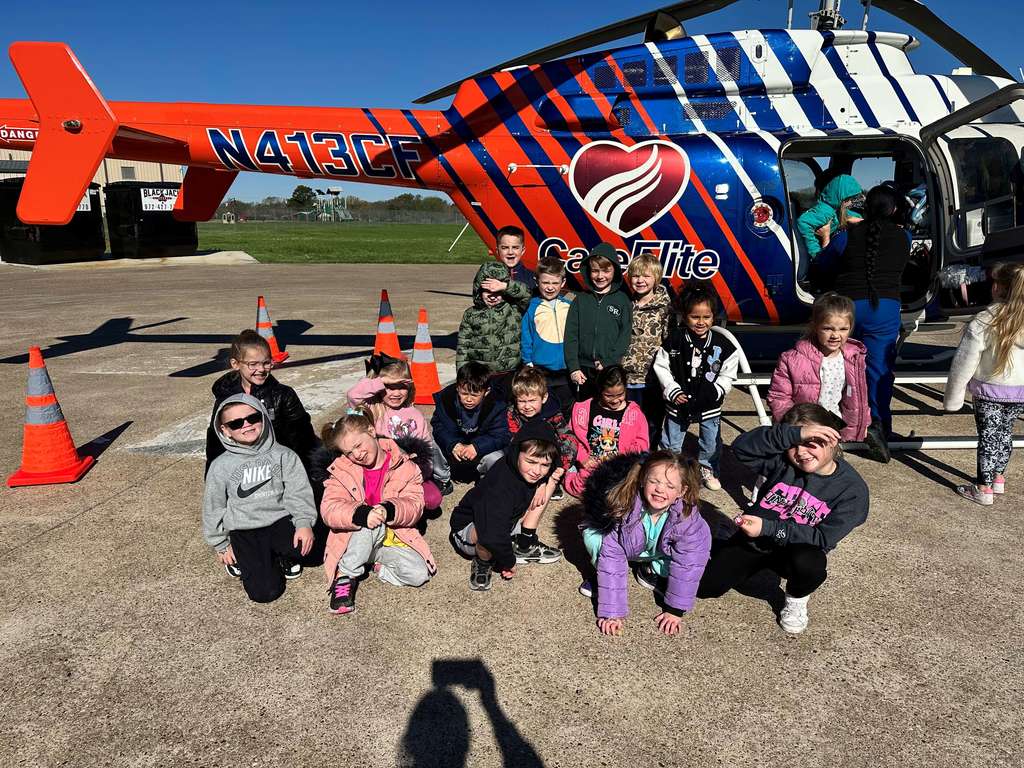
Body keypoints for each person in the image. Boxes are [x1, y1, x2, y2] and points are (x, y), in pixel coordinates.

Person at [697, 404, 869, 634]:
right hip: (754, 541)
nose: (801, 452)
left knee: (810, 565)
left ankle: (797, 598)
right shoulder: (782, 462)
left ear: (833, 440)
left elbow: (823, 537)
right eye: (793, 445)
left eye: (811, 443)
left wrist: (768, 528)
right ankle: (725, 542)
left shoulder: (852, 490)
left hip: (796, 549)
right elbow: (741, 448)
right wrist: (795, 434)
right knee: (706, 588)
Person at [579, 451, 711, 636]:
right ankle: (598, 577)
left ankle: (650, 570)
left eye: (670, 485)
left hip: (658, 552)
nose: (660, 489)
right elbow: (612, 555)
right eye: (654, 482)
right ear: (642, 480)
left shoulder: (688, 519)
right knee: (594, 536)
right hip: (627, 548)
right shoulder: (624, 505)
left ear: (682, 491)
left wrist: (675, 610)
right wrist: (612, 612)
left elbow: (689, 562)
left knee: (687, 557)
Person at [319, 408, 435, 615]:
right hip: (357, 534)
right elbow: (329, 508)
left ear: (372, 431)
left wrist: (390, 508)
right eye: (349, 452)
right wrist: (361, 514)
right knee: (371, 520)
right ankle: (345, 576)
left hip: (394, 534)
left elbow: (415, 504)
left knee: (419, 574)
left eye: (358, 445)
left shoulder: (405, 466)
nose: (357, 454)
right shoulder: (340, 470)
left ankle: (374, 560)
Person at [202, 394, 316, 603]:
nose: (246, 425)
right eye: (236, 423)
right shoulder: (220, 466)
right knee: (265, 593)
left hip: (279, 521)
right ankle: (241, 559)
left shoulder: (284, 455)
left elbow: (298, 492)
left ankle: (282, 557)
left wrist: (303, 523)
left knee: (311, 551)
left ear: (263, 418)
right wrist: (220, 544)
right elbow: (214, 506)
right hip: (244, 529)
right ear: (225, 430)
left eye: (253, 418)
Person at [833, 184, 911, 462]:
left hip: (847, 308)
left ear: (865, 209)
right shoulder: (905, 237)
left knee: (839, 369)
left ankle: (841, 426)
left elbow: (822, 264)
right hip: (885, 308)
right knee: (879, 373)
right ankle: (879, 427)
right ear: (894, 210)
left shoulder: (846, 236)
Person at [449, 421, 565, 591]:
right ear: (517, 452)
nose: (537, 471)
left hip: (505, 519)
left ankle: (525, 542)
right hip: (470, 529)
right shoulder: (500, 485)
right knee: (488, 538)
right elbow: (491, 534)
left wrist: (545, 482)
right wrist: (508, 562)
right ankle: (482, 562)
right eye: (531, 462)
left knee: (551, 481)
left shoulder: (530, 470)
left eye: (544, 465)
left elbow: (556, 465)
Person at [944, 263, 1024, 505]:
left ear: (998, 287)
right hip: (1018, 391)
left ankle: (983, 488)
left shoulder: (986, 320)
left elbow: (964, 363)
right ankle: (998, 478)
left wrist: (953, 398)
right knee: (1005, 434)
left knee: (988, 438)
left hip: (989, 391)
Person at [652, 283, 738, 491]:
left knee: (710, 441)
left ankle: (708, 468)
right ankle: (668, 468)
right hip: (678, 402)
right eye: (695, 317)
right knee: (671, 440)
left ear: (713, 316)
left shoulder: (722, 344)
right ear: (684, 316)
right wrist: (672, 390)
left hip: (709, 404)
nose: (701, 322)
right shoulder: (675, 340)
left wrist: (717, 390)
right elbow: (661, 366)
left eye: (706, 317)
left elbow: (728, 372)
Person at [204, 329, 318, 478]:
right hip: (240, 470)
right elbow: (215, 439)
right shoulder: (225, 395)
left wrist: (301, 476)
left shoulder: (283, 395)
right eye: (253, 364)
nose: (261, 369)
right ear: (235, 364)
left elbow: (302, 438)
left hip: (277, 467)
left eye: (266, 363)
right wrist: (212, 475)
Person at [768, 292, 870, 442]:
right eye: (828, 328)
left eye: (843, 329)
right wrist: (795, 426)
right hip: (801, 429)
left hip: (833, 427)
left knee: (827, 463)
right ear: (815, 326)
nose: (835, 335)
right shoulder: (792, 359)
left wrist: (862, 423)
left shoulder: (853, 359)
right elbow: (778, 397)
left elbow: (859, 397)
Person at [346, 353, 447, 503]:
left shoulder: (416, 415)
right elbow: (352, 395)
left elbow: (426, 451)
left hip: (406, 471)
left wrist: (419, 473)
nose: (396, 393)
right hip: (377, 470)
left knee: (433, 499)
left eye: (402, 387)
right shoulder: (372, 408)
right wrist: (381, 381)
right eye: (389, 387)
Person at [563, 365, 649, 498]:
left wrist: (621, 458)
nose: (615, 400)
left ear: (626, 389)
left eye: (620, 395)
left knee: (623, 492)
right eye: (608, 395)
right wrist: (583, 458)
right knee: (582, 489)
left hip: (619, 466)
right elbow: (572, 437)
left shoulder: (634, 413)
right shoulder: (584, 409)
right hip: (590, 464)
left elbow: (642, 444)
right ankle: (571, 473)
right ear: (600, 391)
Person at [564, 243, 633, 401]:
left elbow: (625, 335)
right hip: (583, 370)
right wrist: (574, 367)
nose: (600, 276)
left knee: (608, 409)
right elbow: (571, 335)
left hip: (609, 368)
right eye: (595, 270)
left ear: (614, 270)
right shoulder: (580, 300)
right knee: (584, 409)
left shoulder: (622, 300)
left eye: (606, 270)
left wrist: (609, 362)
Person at [431, 361, 511, 483]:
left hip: (480, 449)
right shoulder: (446, 399)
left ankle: (486, 482)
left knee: (496, 457)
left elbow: (501, 435)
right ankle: (442, 480)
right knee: (433, 443)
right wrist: (453, 444)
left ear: (486, 392)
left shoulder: (496, 404)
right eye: (464, 393)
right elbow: (439, 427)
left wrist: (477, 447)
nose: (468, 399)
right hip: (456, 446)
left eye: (475, 395)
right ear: (457, 388)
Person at [505, 366, 576, 498]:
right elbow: (512, 439)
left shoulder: (554, 414)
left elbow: (569, 439)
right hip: (525, 456)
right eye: (521, 401)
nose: (527, 406)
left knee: (562, 445)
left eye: (532, 400)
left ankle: (551, 479)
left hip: (549, 458)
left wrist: (562, 466)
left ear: (544, 398)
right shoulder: (512, 413)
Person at [620, 252, 672, 427]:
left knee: (651, 423)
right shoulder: (626, 304)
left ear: (656, 278)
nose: (640, 280)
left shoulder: (665, 308)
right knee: (627, 422)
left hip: (651, 378)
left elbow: (669, 341)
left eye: (646, 276)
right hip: (626, 378)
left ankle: (649, 454)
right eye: (635, 276)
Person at [521, 256, 574, 410]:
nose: (550, 287)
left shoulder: (569, 306)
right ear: (537, 282)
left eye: (555, 283)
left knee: (566, 408)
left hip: (566, 370)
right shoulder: (531, 307)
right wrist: (528, 362)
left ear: (562, 283)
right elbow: (526, 337)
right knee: (544, 409)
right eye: (545, 283)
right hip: (541, 371)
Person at [457, 262, 523, 374]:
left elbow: (526, 294)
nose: (492, 296)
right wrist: (461, 374)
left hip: (508, 372)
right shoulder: (471, 314)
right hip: (480, 373)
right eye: (487, 291)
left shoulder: (513, 308)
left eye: (497, 292)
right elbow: (463, 346)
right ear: (479, 291)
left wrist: (506, 285)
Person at [796, 174, 864, 282]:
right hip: (817, 256)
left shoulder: (833, 208)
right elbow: (803, 222)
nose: (851, 202)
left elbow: (843, 214)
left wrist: (861, 220)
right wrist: (815, 251)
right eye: (850, 199)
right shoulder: (825, 211)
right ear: (843, 198)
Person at [488, 224, 537, 296]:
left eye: (515, 247)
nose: (510, 252)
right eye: (505, 248)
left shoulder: (532, 278)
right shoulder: (489, 275)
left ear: (522, 250)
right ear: (497, 251)